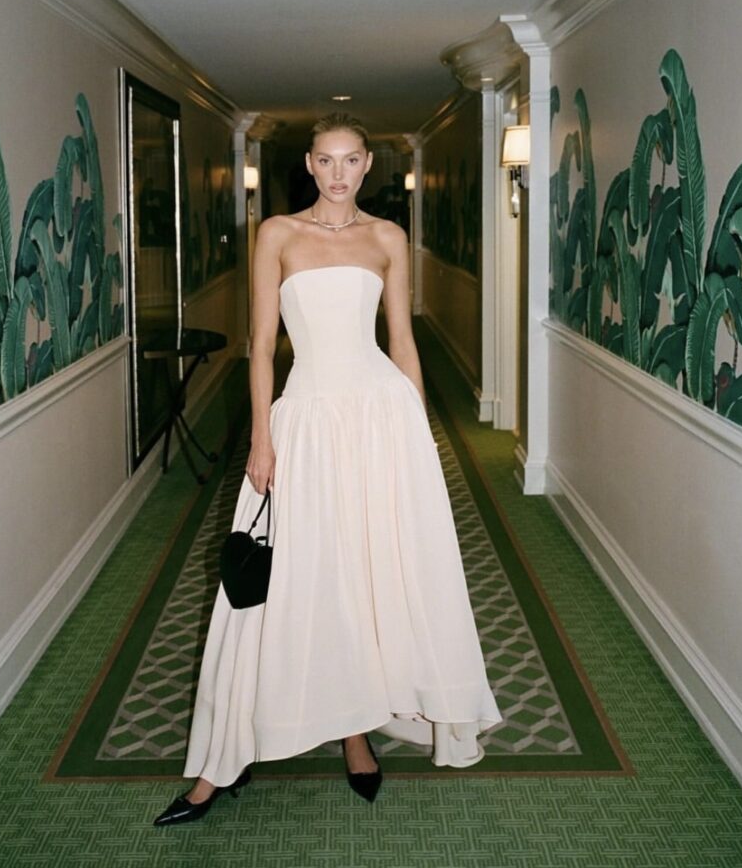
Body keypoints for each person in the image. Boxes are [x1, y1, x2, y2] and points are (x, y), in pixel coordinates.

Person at [154, 113, 501, 827]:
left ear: (367, 165)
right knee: (268, 582)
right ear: (308, 165)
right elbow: (259, 346)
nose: (338, 173)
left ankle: (355, 732)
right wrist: (261, 437)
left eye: (351, 161)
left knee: (365, 571)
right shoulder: (277, 235)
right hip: (305, 419)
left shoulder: (387, 239)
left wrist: (420, 431)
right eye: (325, 160)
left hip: (379, 421)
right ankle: (224, 757)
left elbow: (402, 342)